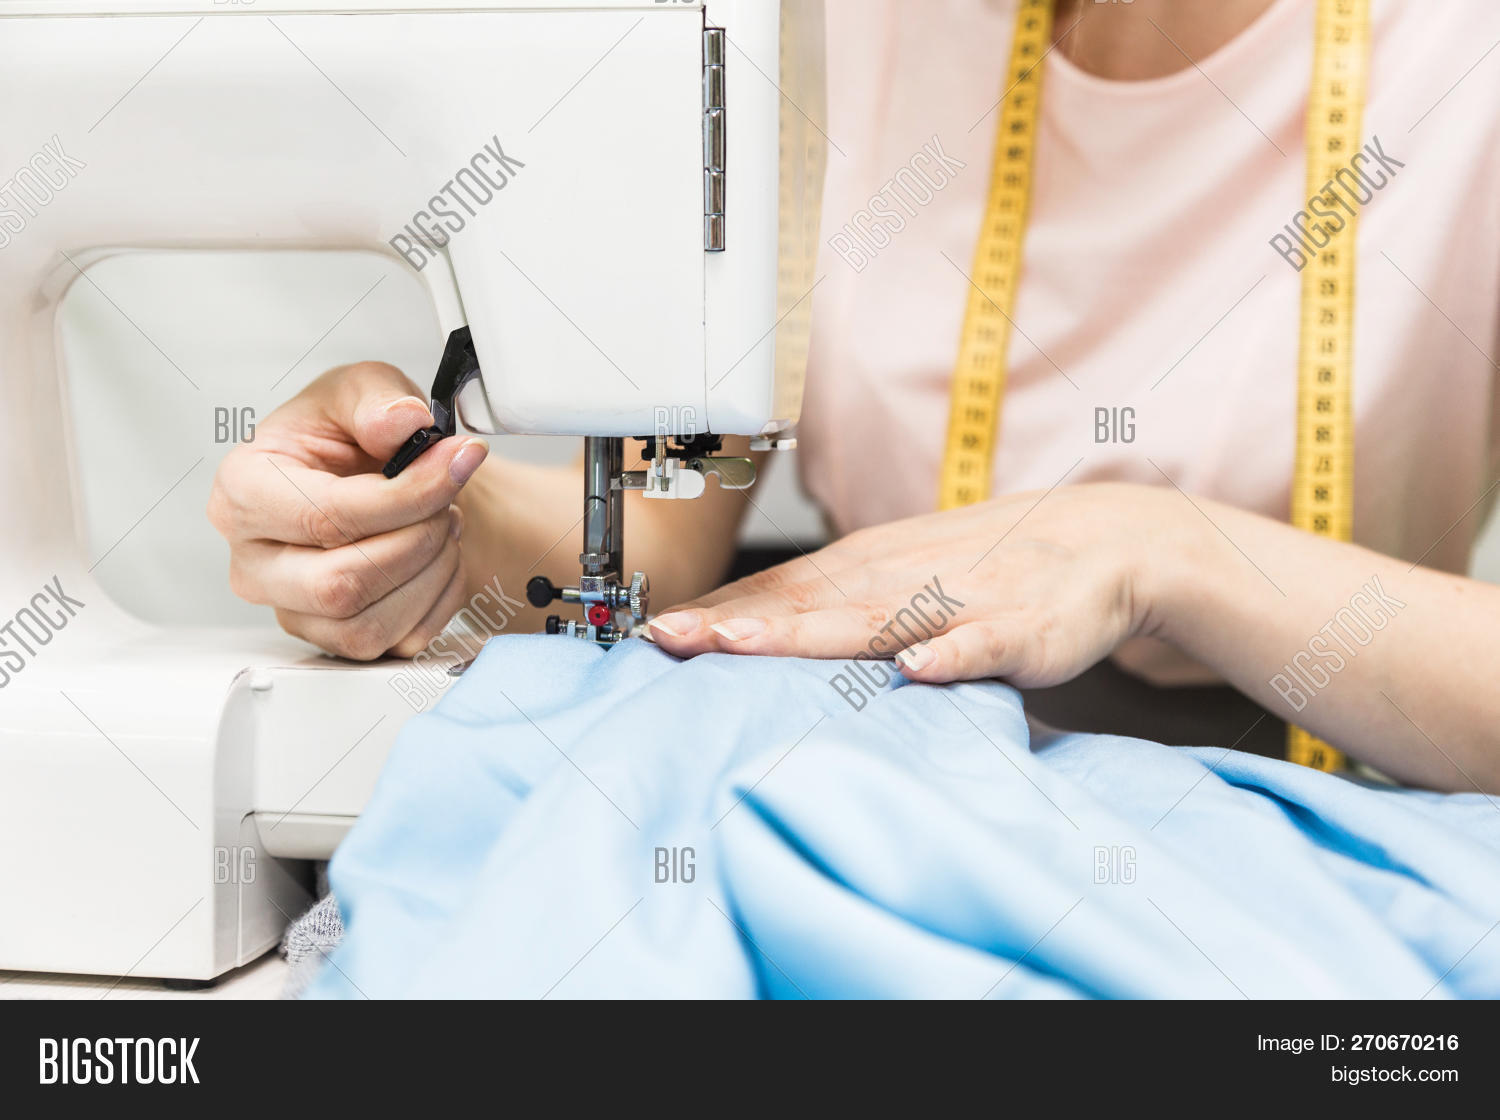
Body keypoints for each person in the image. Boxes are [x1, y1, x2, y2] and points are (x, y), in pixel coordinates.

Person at [207, 0, 1500, 794]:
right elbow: (659, 530)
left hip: (1338, 816)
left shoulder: (1464, 58)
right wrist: (420, 530)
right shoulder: (822, 26)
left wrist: (1158, 548)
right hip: (889, 783)